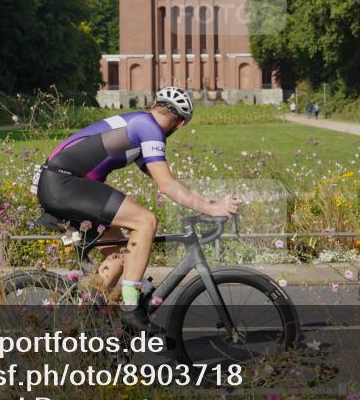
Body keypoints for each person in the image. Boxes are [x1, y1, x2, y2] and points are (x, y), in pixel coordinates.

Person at [34, 87, 239, 332]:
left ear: (154, 103)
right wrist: (212, 208)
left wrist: (206, 203)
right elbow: (167, 184)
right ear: (180, 124)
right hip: (65, 184)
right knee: (145, 221)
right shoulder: (148, 126)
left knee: (121, 256)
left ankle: (83, 319)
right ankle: (130, 307)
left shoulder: (138, 124)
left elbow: (165, 181)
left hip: (59, 184)